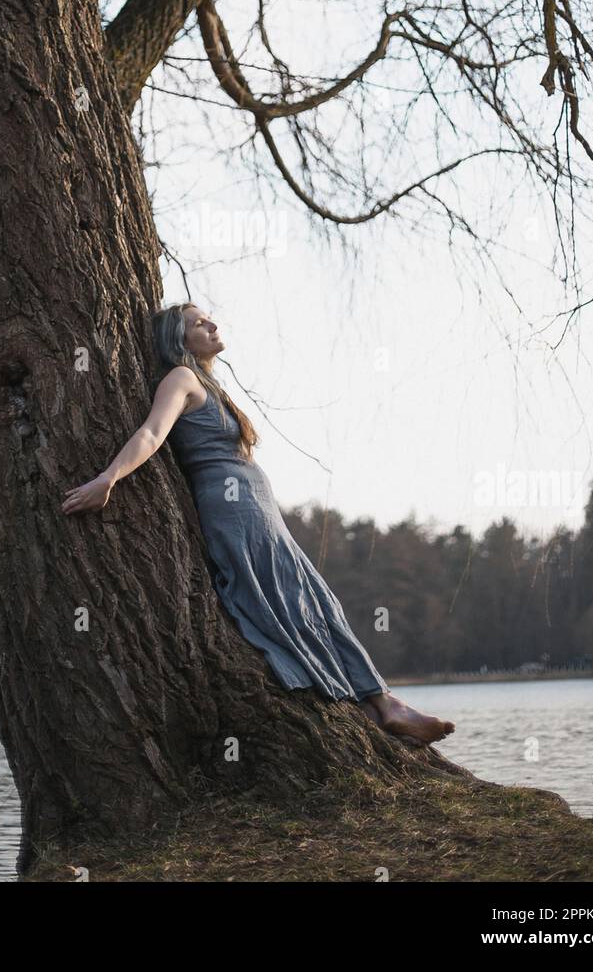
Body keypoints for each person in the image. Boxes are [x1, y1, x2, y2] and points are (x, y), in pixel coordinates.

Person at [61, 302, 455, 747]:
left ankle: (375, 704)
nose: (211, 324)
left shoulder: (209, 383)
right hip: (234, 509)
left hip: (256, 507)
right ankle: (381, 704)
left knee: (314, 601)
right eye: (197, 324)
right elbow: (152, 433)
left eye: (208, 318)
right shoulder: (181, 378)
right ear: (179, 340)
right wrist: (107, 478)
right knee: (282, 601)